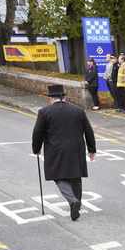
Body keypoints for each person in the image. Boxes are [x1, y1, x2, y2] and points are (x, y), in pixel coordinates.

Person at [31, 84, 97, 221]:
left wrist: (36, 149)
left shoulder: (44, 112)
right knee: (75, 176)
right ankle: (76, 207)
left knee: (58, 175)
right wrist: (92, 149)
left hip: (55, 149)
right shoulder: (78, 111)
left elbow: (38, 132)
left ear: (50, 98)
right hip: (76, 149)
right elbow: (88, 130)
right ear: (64, 97)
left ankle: (73, 201)